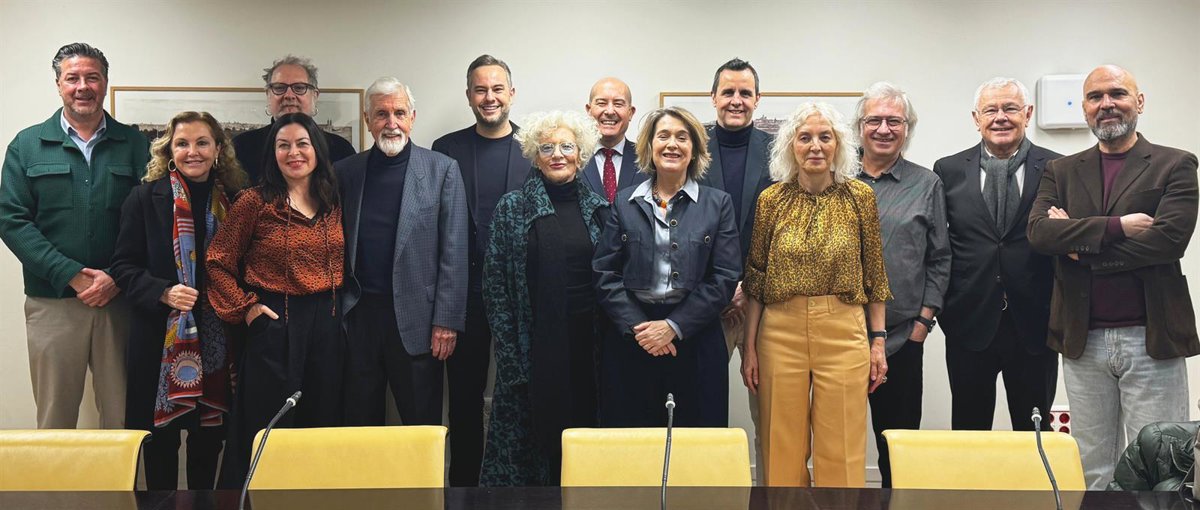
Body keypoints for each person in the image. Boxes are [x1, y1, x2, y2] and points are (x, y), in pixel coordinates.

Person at [1028, 64, 1198, 489]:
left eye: (1117, 94)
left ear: (1139, 102)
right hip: (1082, 339)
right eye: (1095, 97)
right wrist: (1118, 227)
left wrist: (1078, 248)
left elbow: (1167, 243)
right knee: (1092, 469)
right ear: (1084, 108)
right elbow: (1040, 233)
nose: (1106, 104)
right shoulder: (1061, 170)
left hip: (1152, 337)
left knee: (1161, 465)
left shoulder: (1175, 164)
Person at [740, 102, 891, 487]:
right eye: (805, 137)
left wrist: (878, 342)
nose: (815, 146)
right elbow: (756, 278)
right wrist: (750, 347)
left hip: (843, 329)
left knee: (841, 444)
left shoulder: (860, 197)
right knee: (780, 446)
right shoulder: (771, 200)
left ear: (838, 144)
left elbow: (874, 274)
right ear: (790, 146)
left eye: (825, 137)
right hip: (779, 330)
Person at [0, 42, 148, 429]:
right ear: (58, 84)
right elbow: (12, 219)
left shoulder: (136, 145)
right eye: (73, 78)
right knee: (55, 418)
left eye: (92, 77)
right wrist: (70, 274)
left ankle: (123, 476)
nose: (83, 86)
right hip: (53, 303)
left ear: (105, 82)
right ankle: (55, 478)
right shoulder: (27, 145)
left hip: (120, 301)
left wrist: (116, 277)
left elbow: (152, 221)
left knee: (124, 418)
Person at [110, 111, 248, 489]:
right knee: (161, 442)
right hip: (161, 340)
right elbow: (122, 266)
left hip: (218, 341)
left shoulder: (236, 202)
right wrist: (162, 291)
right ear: (169, 150)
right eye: (182, 143)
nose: (193, 152)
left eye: (202, 143)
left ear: (218, 150)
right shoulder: (144, 198)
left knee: (209, 440)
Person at [207, 113, 345, 488]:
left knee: (322, 424)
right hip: (274, 323)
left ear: (317, 150)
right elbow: (217, 262)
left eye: (302, 144)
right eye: (284, 145)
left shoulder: (334, 200)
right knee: (266, 427)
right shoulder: (253, 202)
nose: (294, 152)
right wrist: (247, 309)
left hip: (328, 325)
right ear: (273, 153)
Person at [481, 110, 609, 486]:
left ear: (580, 154)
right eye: (547, 148)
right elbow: (495, 288)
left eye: (566, 147)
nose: (557, 155)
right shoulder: (512, 208)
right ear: (535, 157)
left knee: (584, 438)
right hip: (532, 350)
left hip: (588, 347)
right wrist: (511, 357)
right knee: (533, 448)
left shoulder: (599, 210)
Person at [594, 106, 740, 429]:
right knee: (632, 445)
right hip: (634, 340)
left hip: (696, 339)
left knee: (697, 446)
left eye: (682, 137)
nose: (672, 144)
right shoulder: (624, 202)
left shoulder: (718, 204)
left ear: (695, 150)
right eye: (663, 136)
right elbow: (605, 273)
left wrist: (673, 326)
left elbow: (725, 277)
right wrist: (642, 329)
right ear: (649, 147)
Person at [933, 78, 1061, 432]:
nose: (1000, 117)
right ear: (976, 118)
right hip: (969, 322)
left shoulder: (1058, 167)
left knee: (1034, 431)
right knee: (969, 431)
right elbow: (940, 245)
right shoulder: (948, 170)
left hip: (1035, 324)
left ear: (1028, 114)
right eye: (991, 110)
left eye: (1010, 108)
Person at [337, 78, 467, 427]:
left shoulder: (442, 170)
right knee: (359, 426)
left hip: (419, 323)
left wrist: (446, 321)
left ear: (412, 117)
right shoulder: (346, 172)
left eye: (399, 113)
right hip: (360, 319)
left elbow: (454, 251)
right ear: (368, 120)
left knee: (421, 427)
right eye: (382, 114)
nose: (391, 123)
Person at [431, 54, 532, 487]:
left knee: (521, 392)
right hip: (463, 295)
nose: (489, 97)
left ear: (512, 93)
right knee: (464, 399)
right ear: (469, 95)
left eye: (497, 89)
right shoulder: (445, 149)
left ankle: (518, 485)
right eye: (480, 89)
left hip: (519, 297)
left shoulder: (534, 149)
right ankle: (465, 489)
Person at [852, 82, 950, 488]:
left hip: (900, 338)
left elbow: (940, 258)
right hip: (836, 336)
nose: (883, 129)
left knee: (898, 445)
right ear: (859, 126)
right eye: (874, 120)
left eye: (894, 121)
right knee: (836, 444)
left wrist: (922, 324)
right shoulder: (834, 178)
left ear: (907, 128)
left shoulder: (927, 184)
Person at [699, 57, 776, 482]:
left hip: (764, 303)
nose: (736, 100)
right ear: (713, 97)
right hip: (706, 303)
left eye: (745, 93)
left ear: (757, 99)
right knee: (702, 413)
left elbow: (785, 229)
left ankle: (771, 498)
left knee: (770, 419)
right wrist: (722, 286)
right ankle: (704, 494)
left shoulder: (778, 152)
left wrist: (749, 286)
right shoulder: (691, 146)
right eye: (727, 92)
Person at [232, 55, 356, 184]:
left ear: (315, 96)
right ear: (268, 95)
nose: (289, 95)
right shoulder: (241, 147)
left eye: (300, 88)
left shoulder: (341, 149)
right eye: (279, 88)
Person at [581, 77, 645, 201]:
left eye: (618, 104)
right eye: (601, 103)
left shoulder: (647, 158)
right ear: (589, 110)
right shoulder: (572, 158)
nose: (610, 111)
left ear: (631, 113)